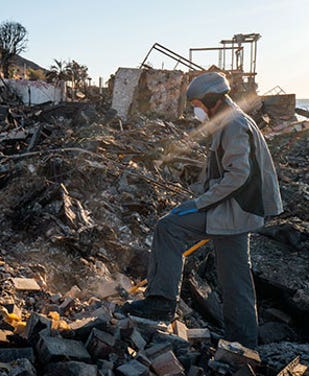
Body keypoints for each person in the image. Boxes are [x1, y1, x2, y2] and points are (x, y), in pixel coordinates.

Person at [121, 72, 283, 348]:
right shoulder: (230, 120)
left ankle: (160, 303)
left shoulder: (233, 125)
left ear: (211, 100)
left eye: (197, 103)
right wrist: (202, 194)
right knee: (235, 277)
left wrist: (200, 203)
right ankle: (242, 343)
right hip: (239, 209)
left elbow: (237, 175)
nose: (195, 110)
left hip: (236, 210)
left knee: (168, 227)